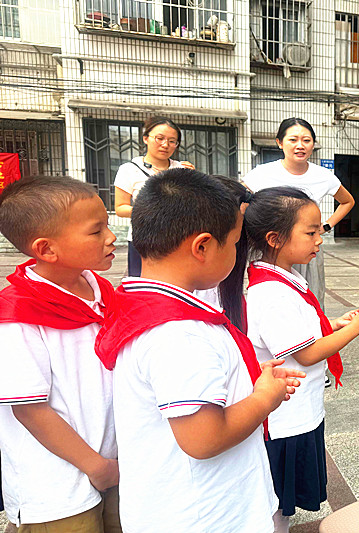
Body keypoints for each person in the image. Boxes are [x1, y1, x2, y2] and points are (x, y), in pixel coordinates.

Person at [94, 169, 305, 533]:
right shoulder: (180, 334)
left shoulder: (144, 304)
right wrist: (263, 398)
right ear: (203, 246)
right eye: (235, 243)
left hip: (177, 504)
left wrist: (250, 377)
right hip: (205, 516)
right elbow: (203, 438)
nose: (238, 254)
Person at [240, 186, 359, 533]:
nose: (320, 237)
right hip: (285, 417)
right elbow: (305, 353)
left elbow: (298, 333)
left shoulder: (284, 277)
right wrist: (358, 328)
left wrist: (334, 324)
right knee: (276, 500)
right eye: (311, 231)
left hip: (299, 408)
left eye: (320, 229)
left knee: (281, 500)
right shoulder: (271, 292)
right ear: (274, 238)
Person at [0, 176, 121, 532]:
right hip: (58, 486)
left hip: (112, 463)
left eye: (107, 225)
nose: (111, 237)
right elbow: (30, 409)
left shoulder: (99, 288)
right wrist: (95, 466)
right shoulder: (17, 315)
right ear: (47, 249)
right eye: (96, 231)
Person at [242, 118, 355, 311]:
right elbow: (241, 202)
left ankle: (315, 336)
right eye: (293, 140)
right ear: (280, 143)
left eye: (306, 140)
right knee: (274, 300)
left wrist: (326, 226)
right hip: (272, 250)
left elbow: (348, 201)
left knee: (312, 298)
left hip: (307, 249)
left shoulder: (323, 175)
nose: (300, 146)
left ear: (313, 144)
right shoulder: (262, 173)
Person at [113, 116, 194, 277]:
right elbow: (120, 209)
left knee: (173, 285)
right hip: (142, 240)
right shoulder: (129, 170)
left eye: (172, 141)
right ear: (146, 138)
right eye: (160, 138)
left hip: (176, 240)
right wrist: (152, 210)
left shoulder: (182, 170)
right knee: (142, 287)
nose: (165, 145)